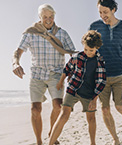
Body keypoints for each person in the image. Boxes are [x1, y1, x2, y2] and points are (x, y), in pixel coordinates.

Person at [12, 4, 76, 145]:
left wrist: (72, 70)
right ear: (40, 18)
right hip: (37, 74)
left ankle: (52, 134)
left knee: (58, 106)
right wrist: (15, 63)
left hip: (56, 73)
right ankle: (39, 141)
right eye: (45, 17)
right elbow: (17, 51)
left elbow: (73, 53)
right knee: (35, 109)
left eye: (51, 17)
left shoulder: (62, 34)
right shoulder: (31, 33)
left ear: (54, 17)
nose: (48, 20)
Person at [89, 0, 122, 144]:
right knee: (104, 109)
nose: (102, 15)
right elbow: (89, 52)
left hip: (119, 75)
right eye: (100, 12)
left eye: (105, 12)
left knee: (120, 106)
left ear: (114, 9)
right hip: (101, 76)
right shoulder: (94, 27)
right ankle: (115, 139)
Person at [49, 30, 106, 145]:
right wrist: (61, 81)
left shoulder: (99, 61)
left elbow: (101, 82)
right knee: (63, 115)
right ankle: (50, 143)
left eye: (91, 50)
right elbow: (67, 68)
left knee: (91, 119)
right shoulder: (78, 56)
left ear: (97, 48)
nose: (88, 52)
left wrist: (94, 99)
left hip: (89, 94)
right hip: (73, 90)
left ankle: (93, 143)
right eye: (85, 49)